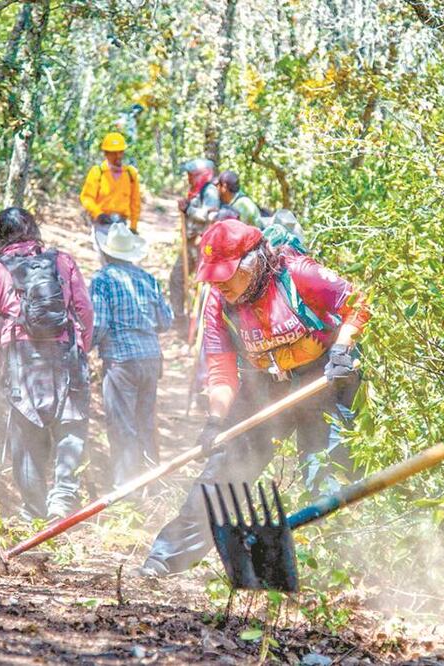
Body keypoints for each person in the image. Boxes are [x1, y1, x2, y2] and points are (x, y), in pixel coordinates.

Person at [139, 219, 370, 577]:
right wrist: (217, 421)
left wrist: (342, 350)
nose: (219, 283)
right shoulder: (219, 302)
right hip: (265, 385)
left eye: (226, 274)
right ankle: (167, 556)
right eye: (213, 275)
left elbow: (358, 301)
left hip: (322, 380)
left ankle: (338, 569)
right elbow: (221, 372)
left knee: (327, 474)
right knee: (223, 471)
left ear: (253, 262)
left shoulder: (297, 273)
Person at [0, 208, 95, 521]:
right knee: (71, 423)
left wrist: (0, 357)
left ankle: (33, 511)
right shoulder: (62, 261)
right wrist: (84, 346)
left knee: (26, 431)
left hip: (21, 356)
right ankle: (62, 500)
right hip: (66, 349)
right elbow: (85, 310)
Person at [90, 222, 174, 487]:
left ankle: (126, 487)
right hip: (150, 358)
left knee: (122, 425)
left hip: (121, 360)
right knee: (145, 422)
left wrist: (83, 347)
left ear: (107, 253)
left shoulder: (102, 280)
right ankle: (152, 482)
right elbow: (165, 321)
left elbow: (99, 325)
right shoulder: (147, 279)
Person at [170, 158, 221, 334]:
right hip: (189, 245)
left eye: (191, 175)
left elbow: (210, 216)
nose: (189, 179)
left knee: (201, 287)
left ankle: (199, 328)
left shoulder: (210, 192)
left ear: (202, 175)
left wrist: (188, 210)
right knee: (176, 279)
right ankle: (179, 321)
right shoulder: (194, 192)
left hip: (202, 246)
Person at [80, 132, 142, 232]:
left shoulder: (130, 174)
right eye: (113, 153)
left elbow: (135, 202)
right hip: (101, 224)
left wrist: (133, 226)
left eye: (120, 152)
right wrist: (98, 213)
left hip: (122, 225)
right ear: (106, 153)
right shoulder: (97, 172)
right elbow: (87, 197)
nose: (118, 156)